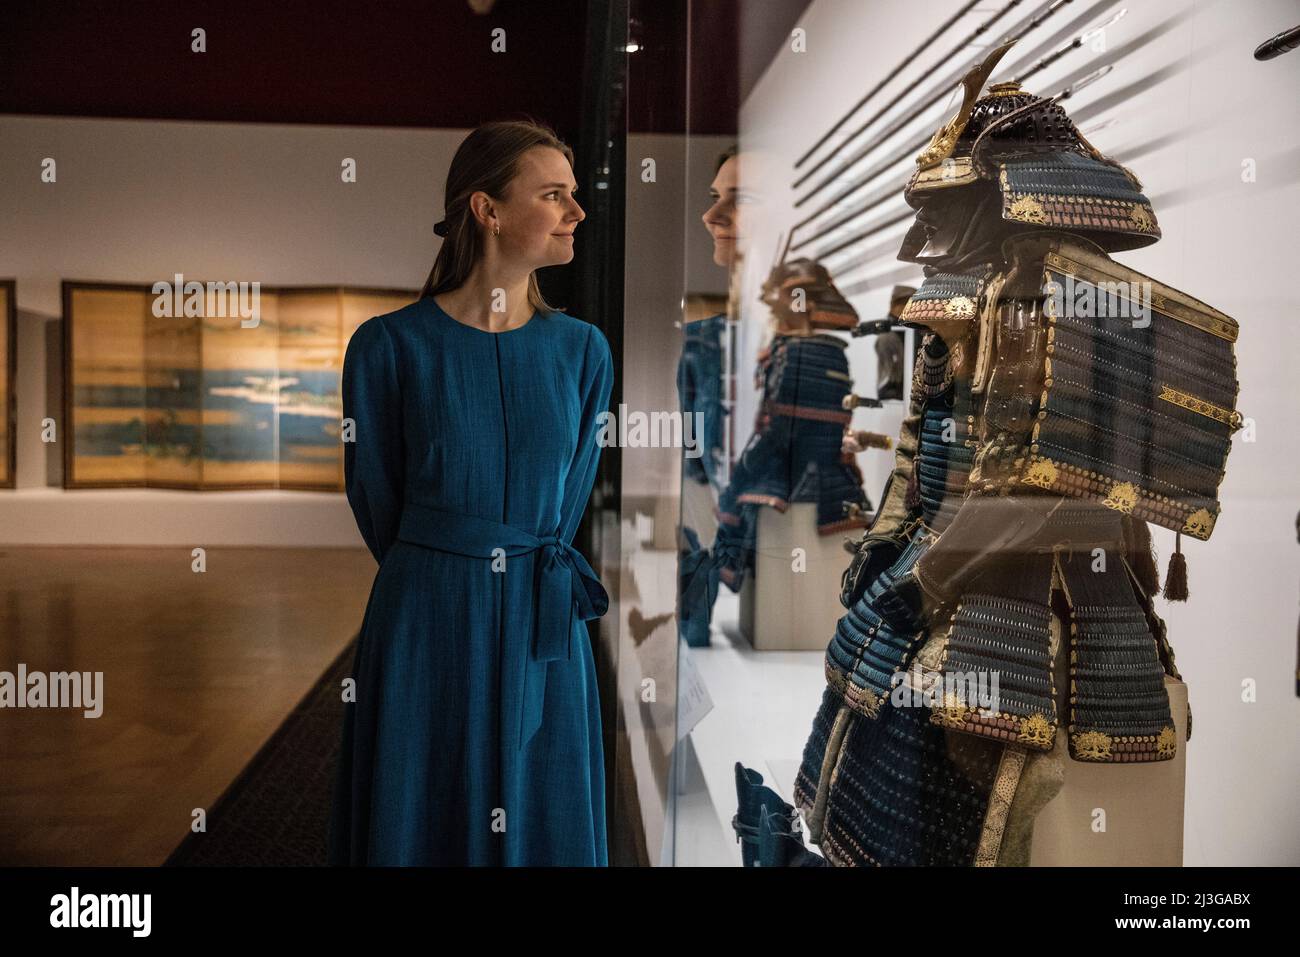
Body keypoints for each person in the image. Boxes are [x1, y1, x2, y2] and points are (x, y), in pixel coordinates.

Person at [328, 120, 614, 865]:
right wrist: (444, 558)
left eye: (574, 195)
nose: (576, 213)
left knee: (540, 801)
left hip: (541, 617)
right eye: (554, 195)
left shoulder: (583, 350)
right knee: (421, 804)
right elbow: (376, 496)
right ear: (488, 211)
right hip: (426, 615)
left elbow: (572, 492)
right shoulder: (388, 346)